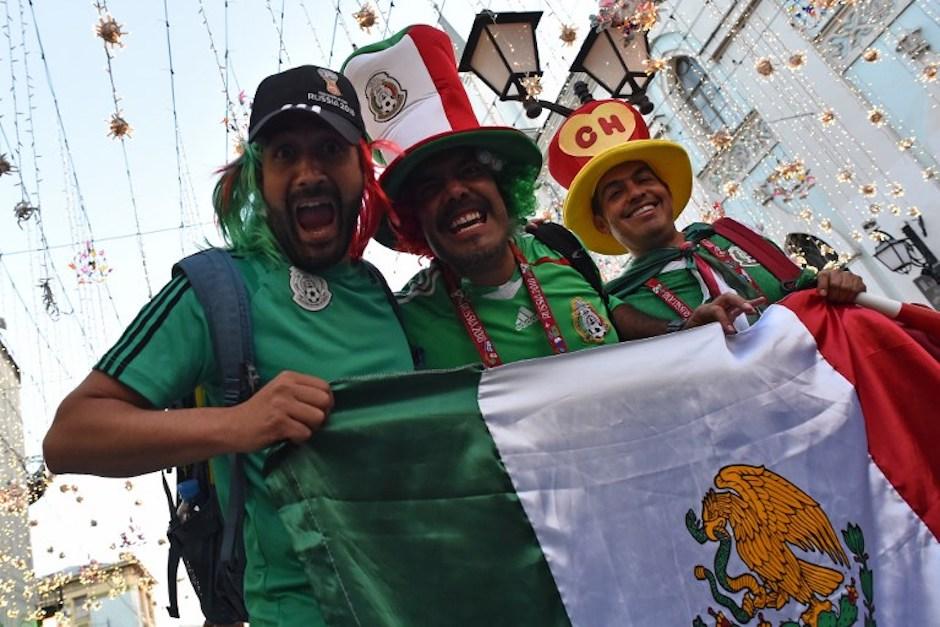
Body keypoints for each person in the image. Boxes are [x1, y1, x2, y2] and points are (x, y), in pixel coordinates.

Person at [42, 65, 414, 626]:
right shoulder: (216, 289)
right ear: (257, 179)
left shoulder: (377, 291)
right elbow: (71, 436)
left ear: (361, 169)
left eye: (331, 149)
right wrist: (241, 424)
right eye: (285, 154)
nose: (309, 172)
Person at [342, 25, 755, 368]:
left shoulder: (559, 250)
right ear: (413, 218)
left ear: (503, 188)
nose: (455, 191)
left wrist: (682, 333)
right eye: (430, 188)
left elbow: (610, 312)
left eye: (470, 171)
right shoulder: (404, 320)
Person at [547, 98, 865, 338]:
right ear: (602, 223)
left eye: (644, 180)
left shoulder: (735, 237)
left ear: (666, 190)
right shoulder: (619, 305)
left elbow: (806, 293)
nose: (635, 193)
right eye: (615, 193)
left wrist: (836, 284)